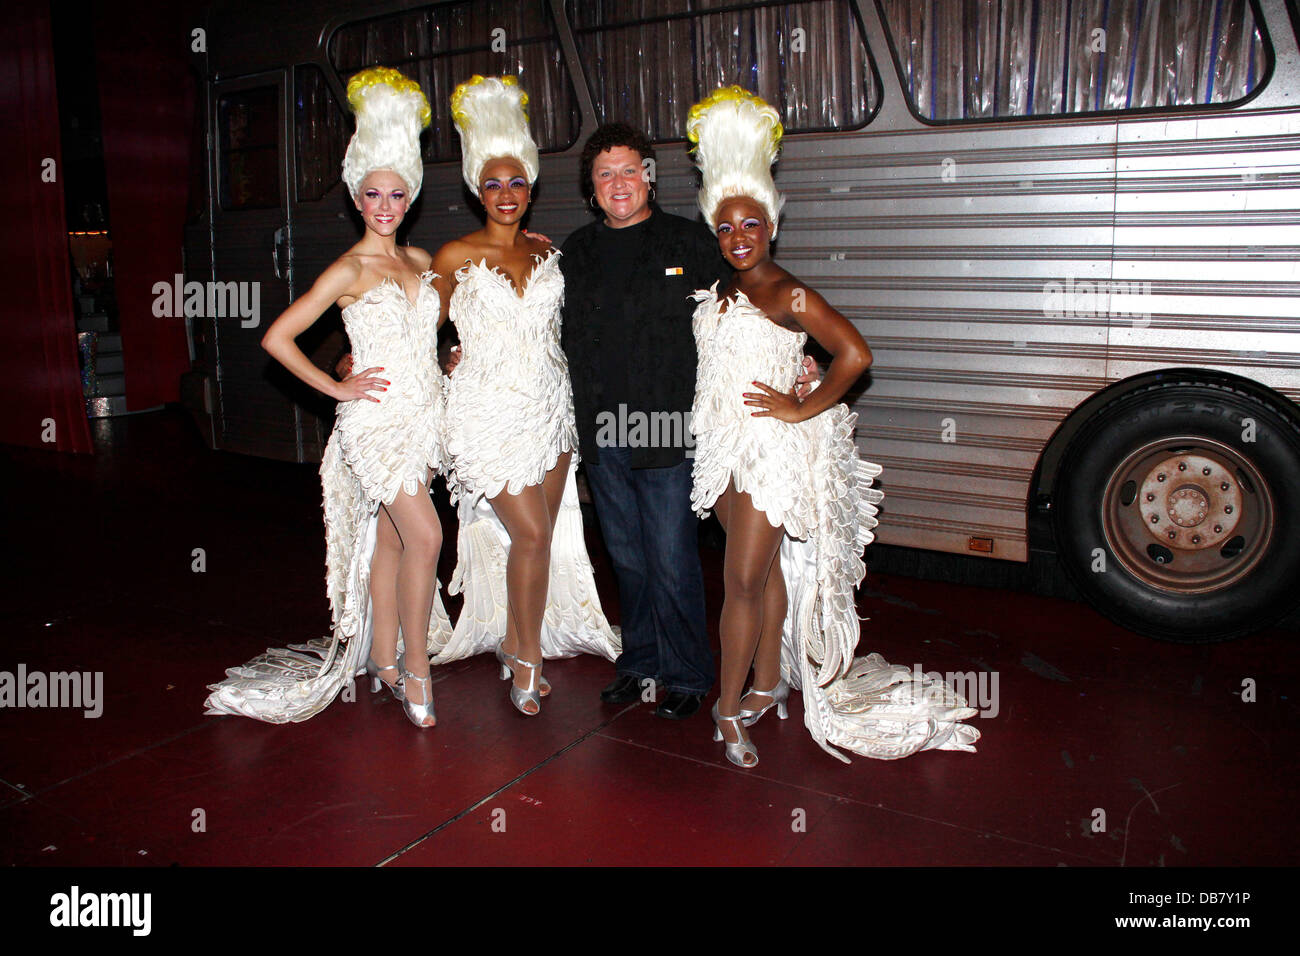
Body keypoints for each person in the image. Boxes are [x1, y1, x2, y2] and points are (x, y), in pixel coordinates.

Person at [686, 86, 981, 765]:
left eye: (750, 225)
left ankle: (728, 711)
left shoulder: (789, 291)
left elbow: (856, 354)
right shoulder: (728, 289)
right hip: (723, 449)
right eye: (726, 227)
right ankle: (768, 682)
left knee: (739, 586)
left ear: (772, 225)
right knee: (764, 579)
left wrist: (799, 405)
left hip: (767, 452)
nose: (738, 238)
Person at [205, 67, 450, 726]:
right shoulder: (348, 267)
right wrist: (338, 384)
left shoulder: (422, 261)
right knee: (426, 536)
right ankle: (416, 673)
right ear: (356, 197)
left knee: (397, 542)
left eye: (396, 194)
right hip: (373, 422)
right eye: (373, 193)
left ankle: (383, 657)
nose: (384, 205)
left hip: (424, 417)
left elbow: (458, 313)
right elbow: (277, 338)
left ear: (410, 198)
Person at [429, 75, 618, 715]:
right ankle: (526, 661)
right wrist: (431, 357)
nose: (505, 194)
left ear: (531, 190)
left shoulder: (551, 257)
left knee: (537, 539)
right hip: (487, 414)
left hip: (552, 410)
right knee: (533, 535)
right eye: (492, 184)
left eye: (516, 183)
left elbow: (584, 326)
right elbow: (416, 327)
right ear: (474, 190)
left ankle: (517, 639)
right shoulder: (454, 254)